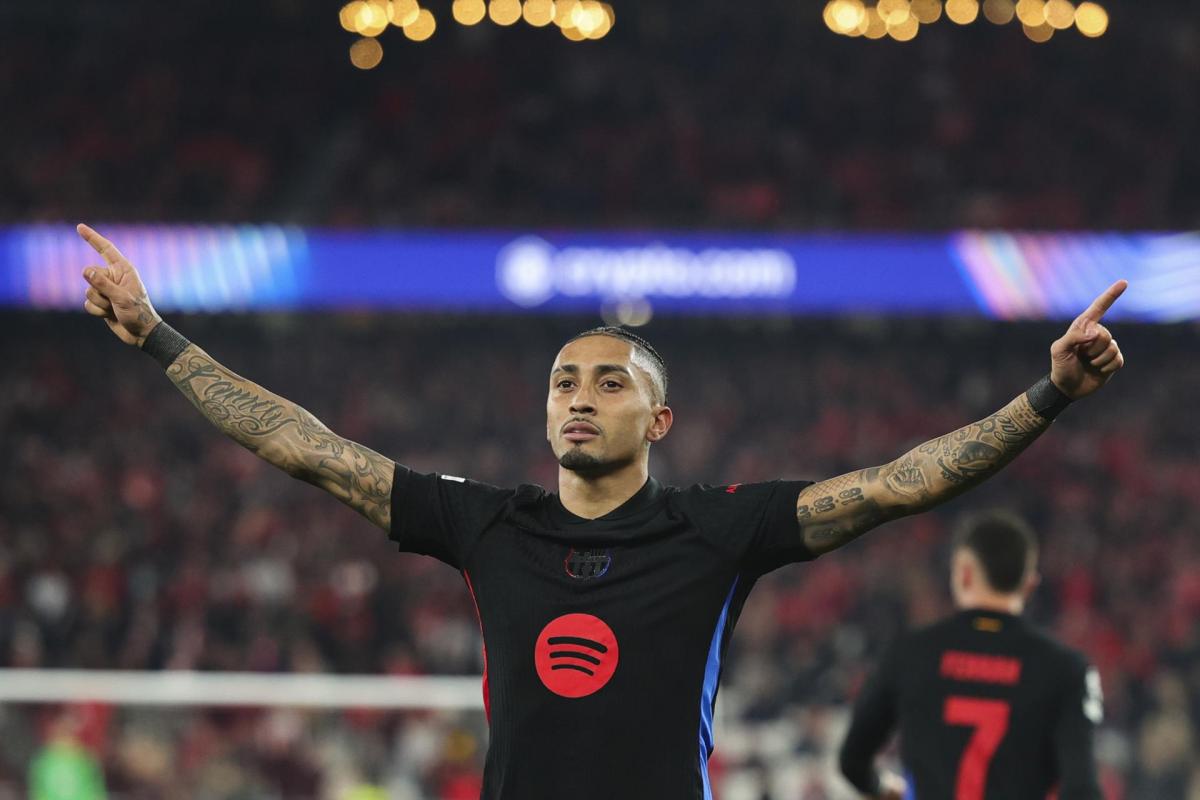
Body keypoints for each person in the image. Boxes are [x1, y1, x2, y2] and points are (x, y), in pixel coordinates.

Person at [77, 223, 1126, 800]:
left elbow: (905, 481)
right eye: (563, 379)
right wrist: (161, 336)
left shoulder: (718, 530)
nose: (579, 393)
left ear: (659, 416)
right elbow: (307, 448)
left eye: (608, 381)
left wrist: (1048, 395)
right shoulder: (488, 521)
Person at [837, 511, 1104, 800]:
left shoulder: (910, 653)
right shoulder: (1067, 670)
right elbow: (1081, 789)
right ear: (1029, 586)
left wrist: (883, 787)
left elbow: (853, 761)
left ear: (963, 573)